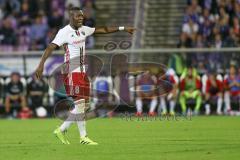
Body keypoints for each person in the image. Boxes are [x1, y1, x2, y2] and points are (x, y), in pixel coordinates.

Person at [35, 7, 135, 145]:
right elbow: (50, 47)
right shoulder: (64, 32)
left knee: (85, 105)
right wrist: (41, 65)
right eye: (78, 16)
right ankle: (83, 137)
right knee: (81, 104)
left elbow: (103, 30)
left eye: (82, 16)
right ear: (71, 17)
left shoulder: (83, 29)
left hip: (82, 73)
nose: (81, 18)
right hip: (71, 71)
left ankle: (62, 129)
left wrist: (123, 28)